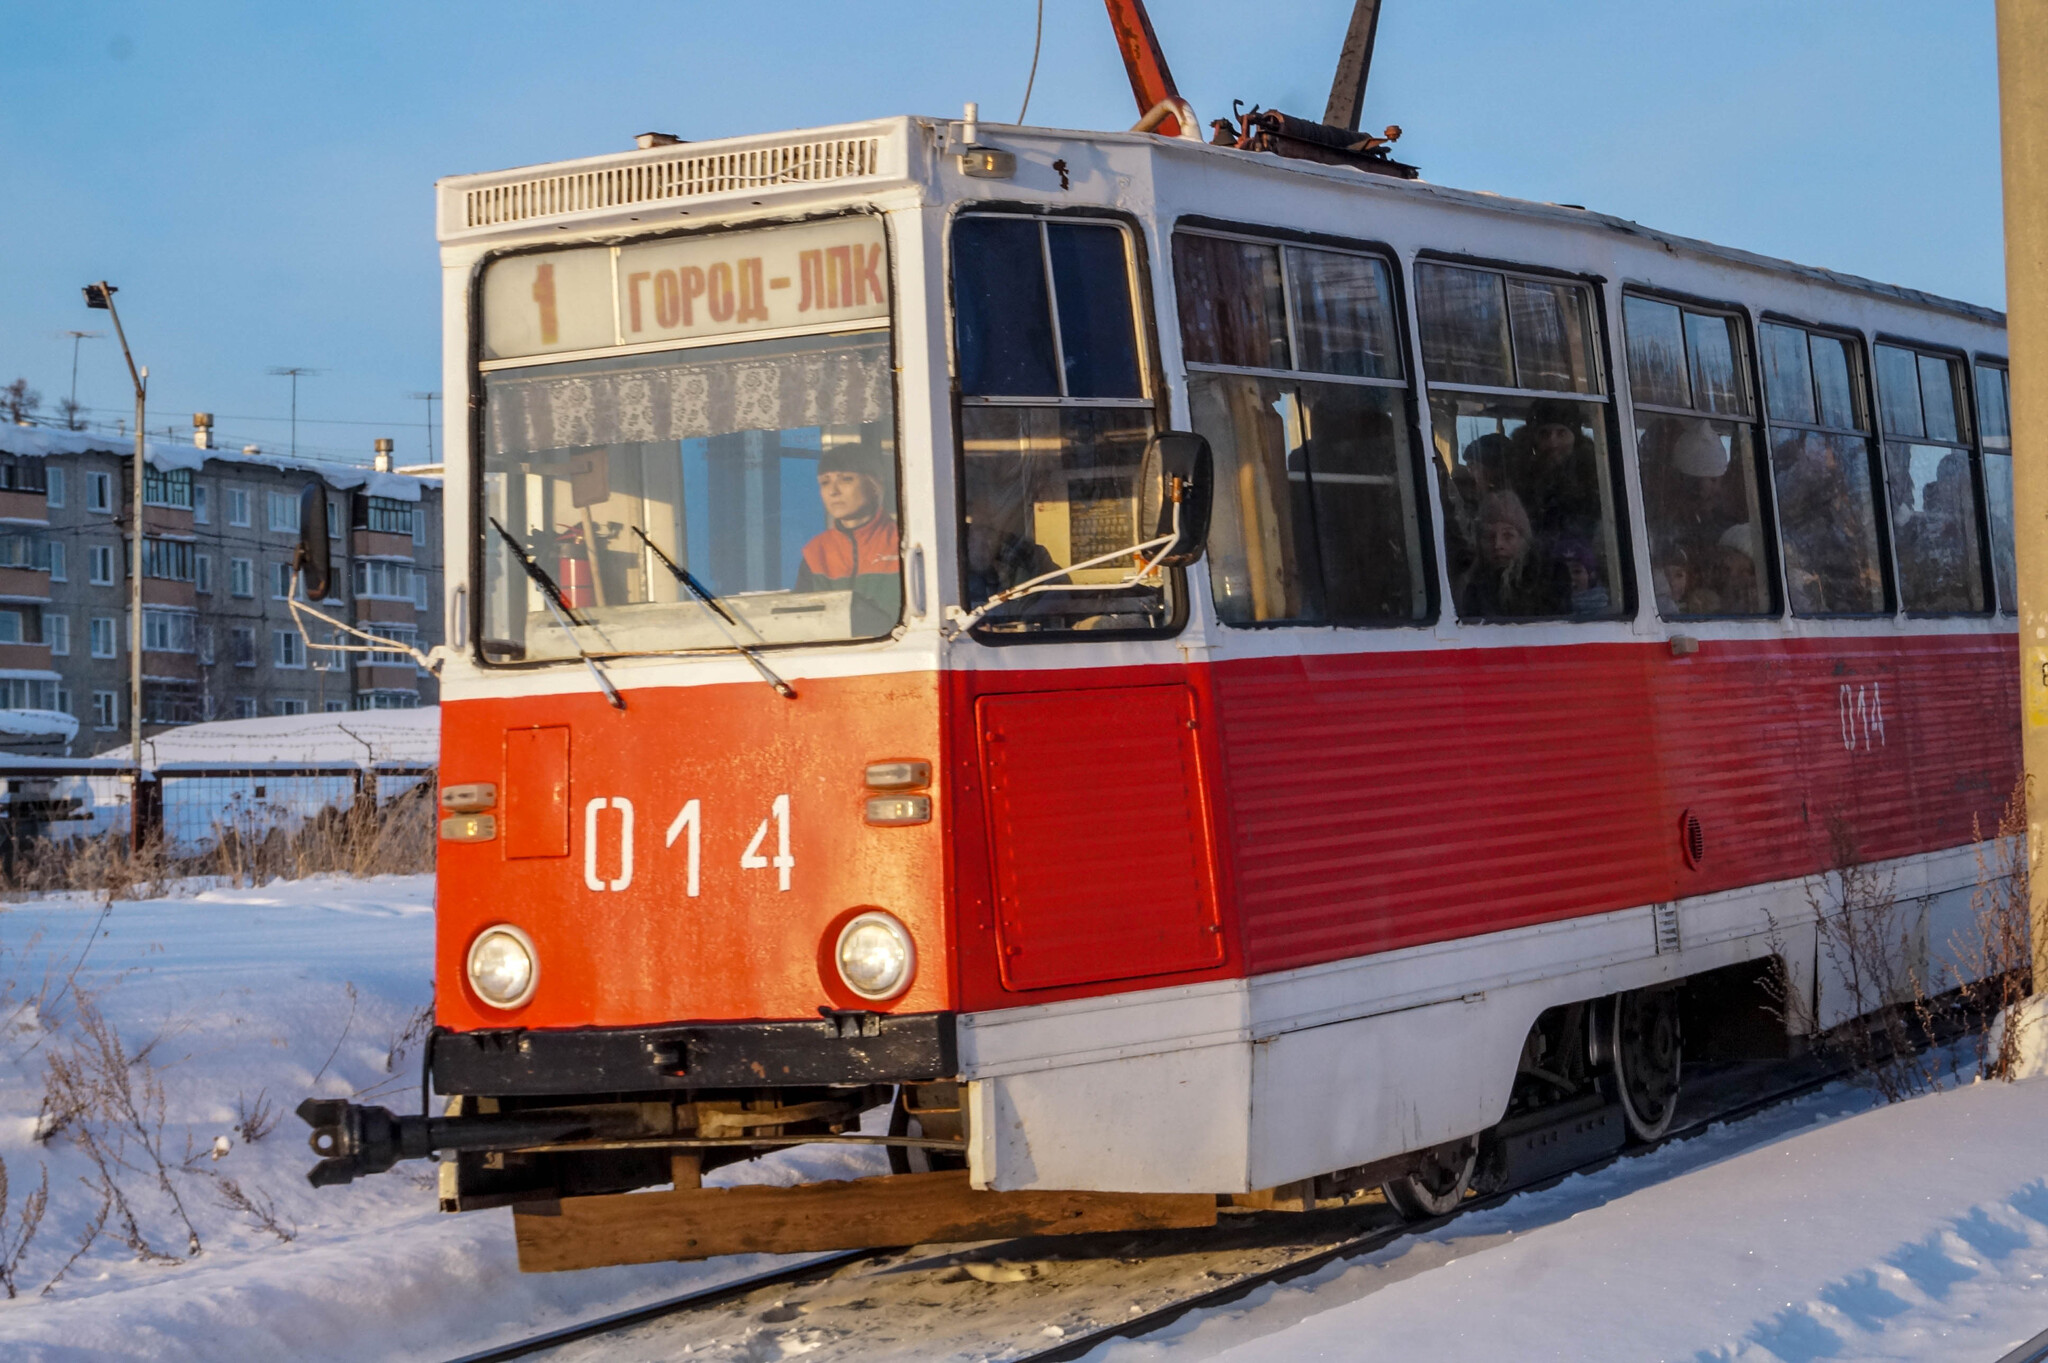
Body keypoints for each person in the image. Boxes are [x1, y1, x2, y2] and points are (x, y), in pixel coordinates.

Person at [795, 445, 901, 635]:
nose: (833, 491)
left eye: (846, 479)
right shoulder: (815, 551)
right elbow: (801, 624)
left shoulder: (903, 543)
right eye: (825, 482)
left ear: (875, 485)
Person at [1458, 490, 1567, 618]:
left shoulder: (1551, 577)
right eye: (1489, 536)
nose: (1498, 545)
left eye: (1508, 535)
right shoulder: (1472, 586)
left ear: (1523, 540)